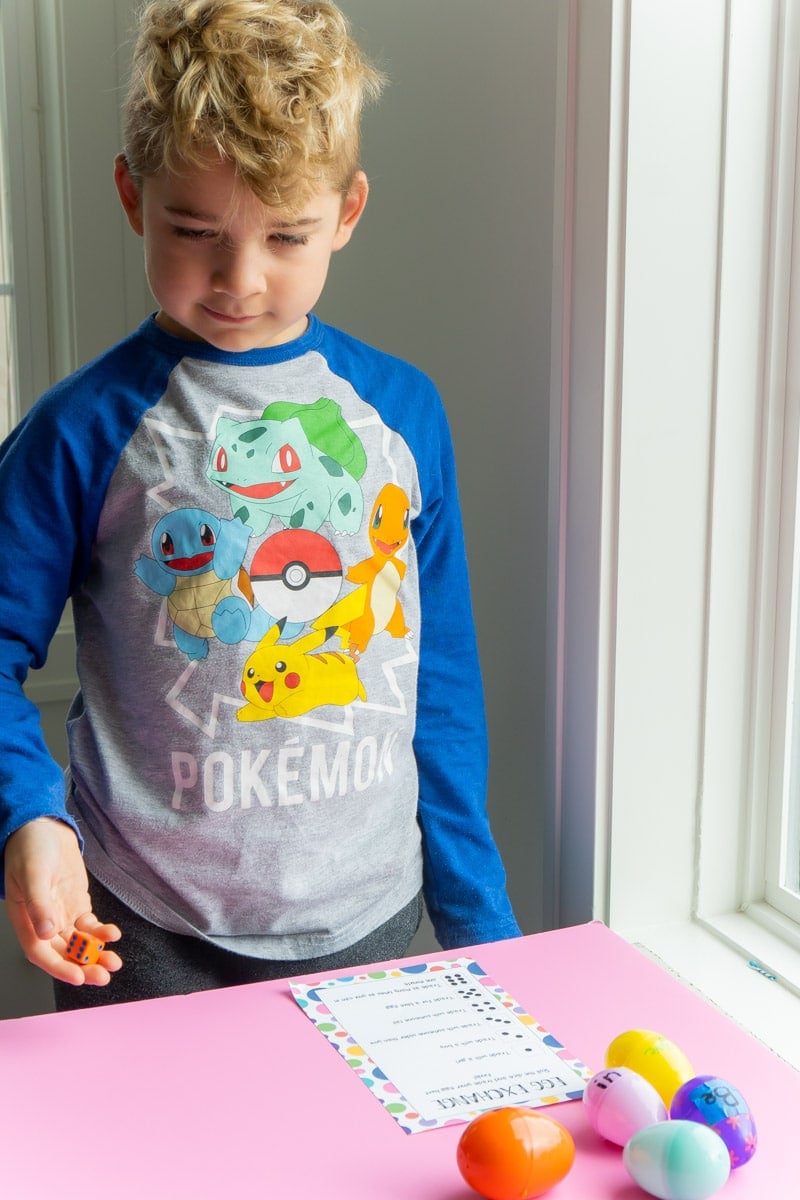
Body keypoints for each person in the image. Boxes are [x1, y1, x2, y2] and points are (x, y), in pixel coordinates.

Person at [0, 0, 520, 1009]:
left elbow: (440, 679)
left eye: (288, 235)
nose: (239, 279)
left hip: (372, 921)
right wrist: (32, 816)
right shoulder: (82, 428)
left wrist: (480, 925)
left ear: (349, 210)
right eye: (193, 231)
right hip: (143, 932)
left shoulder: (401, 414)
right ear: (129, 193)